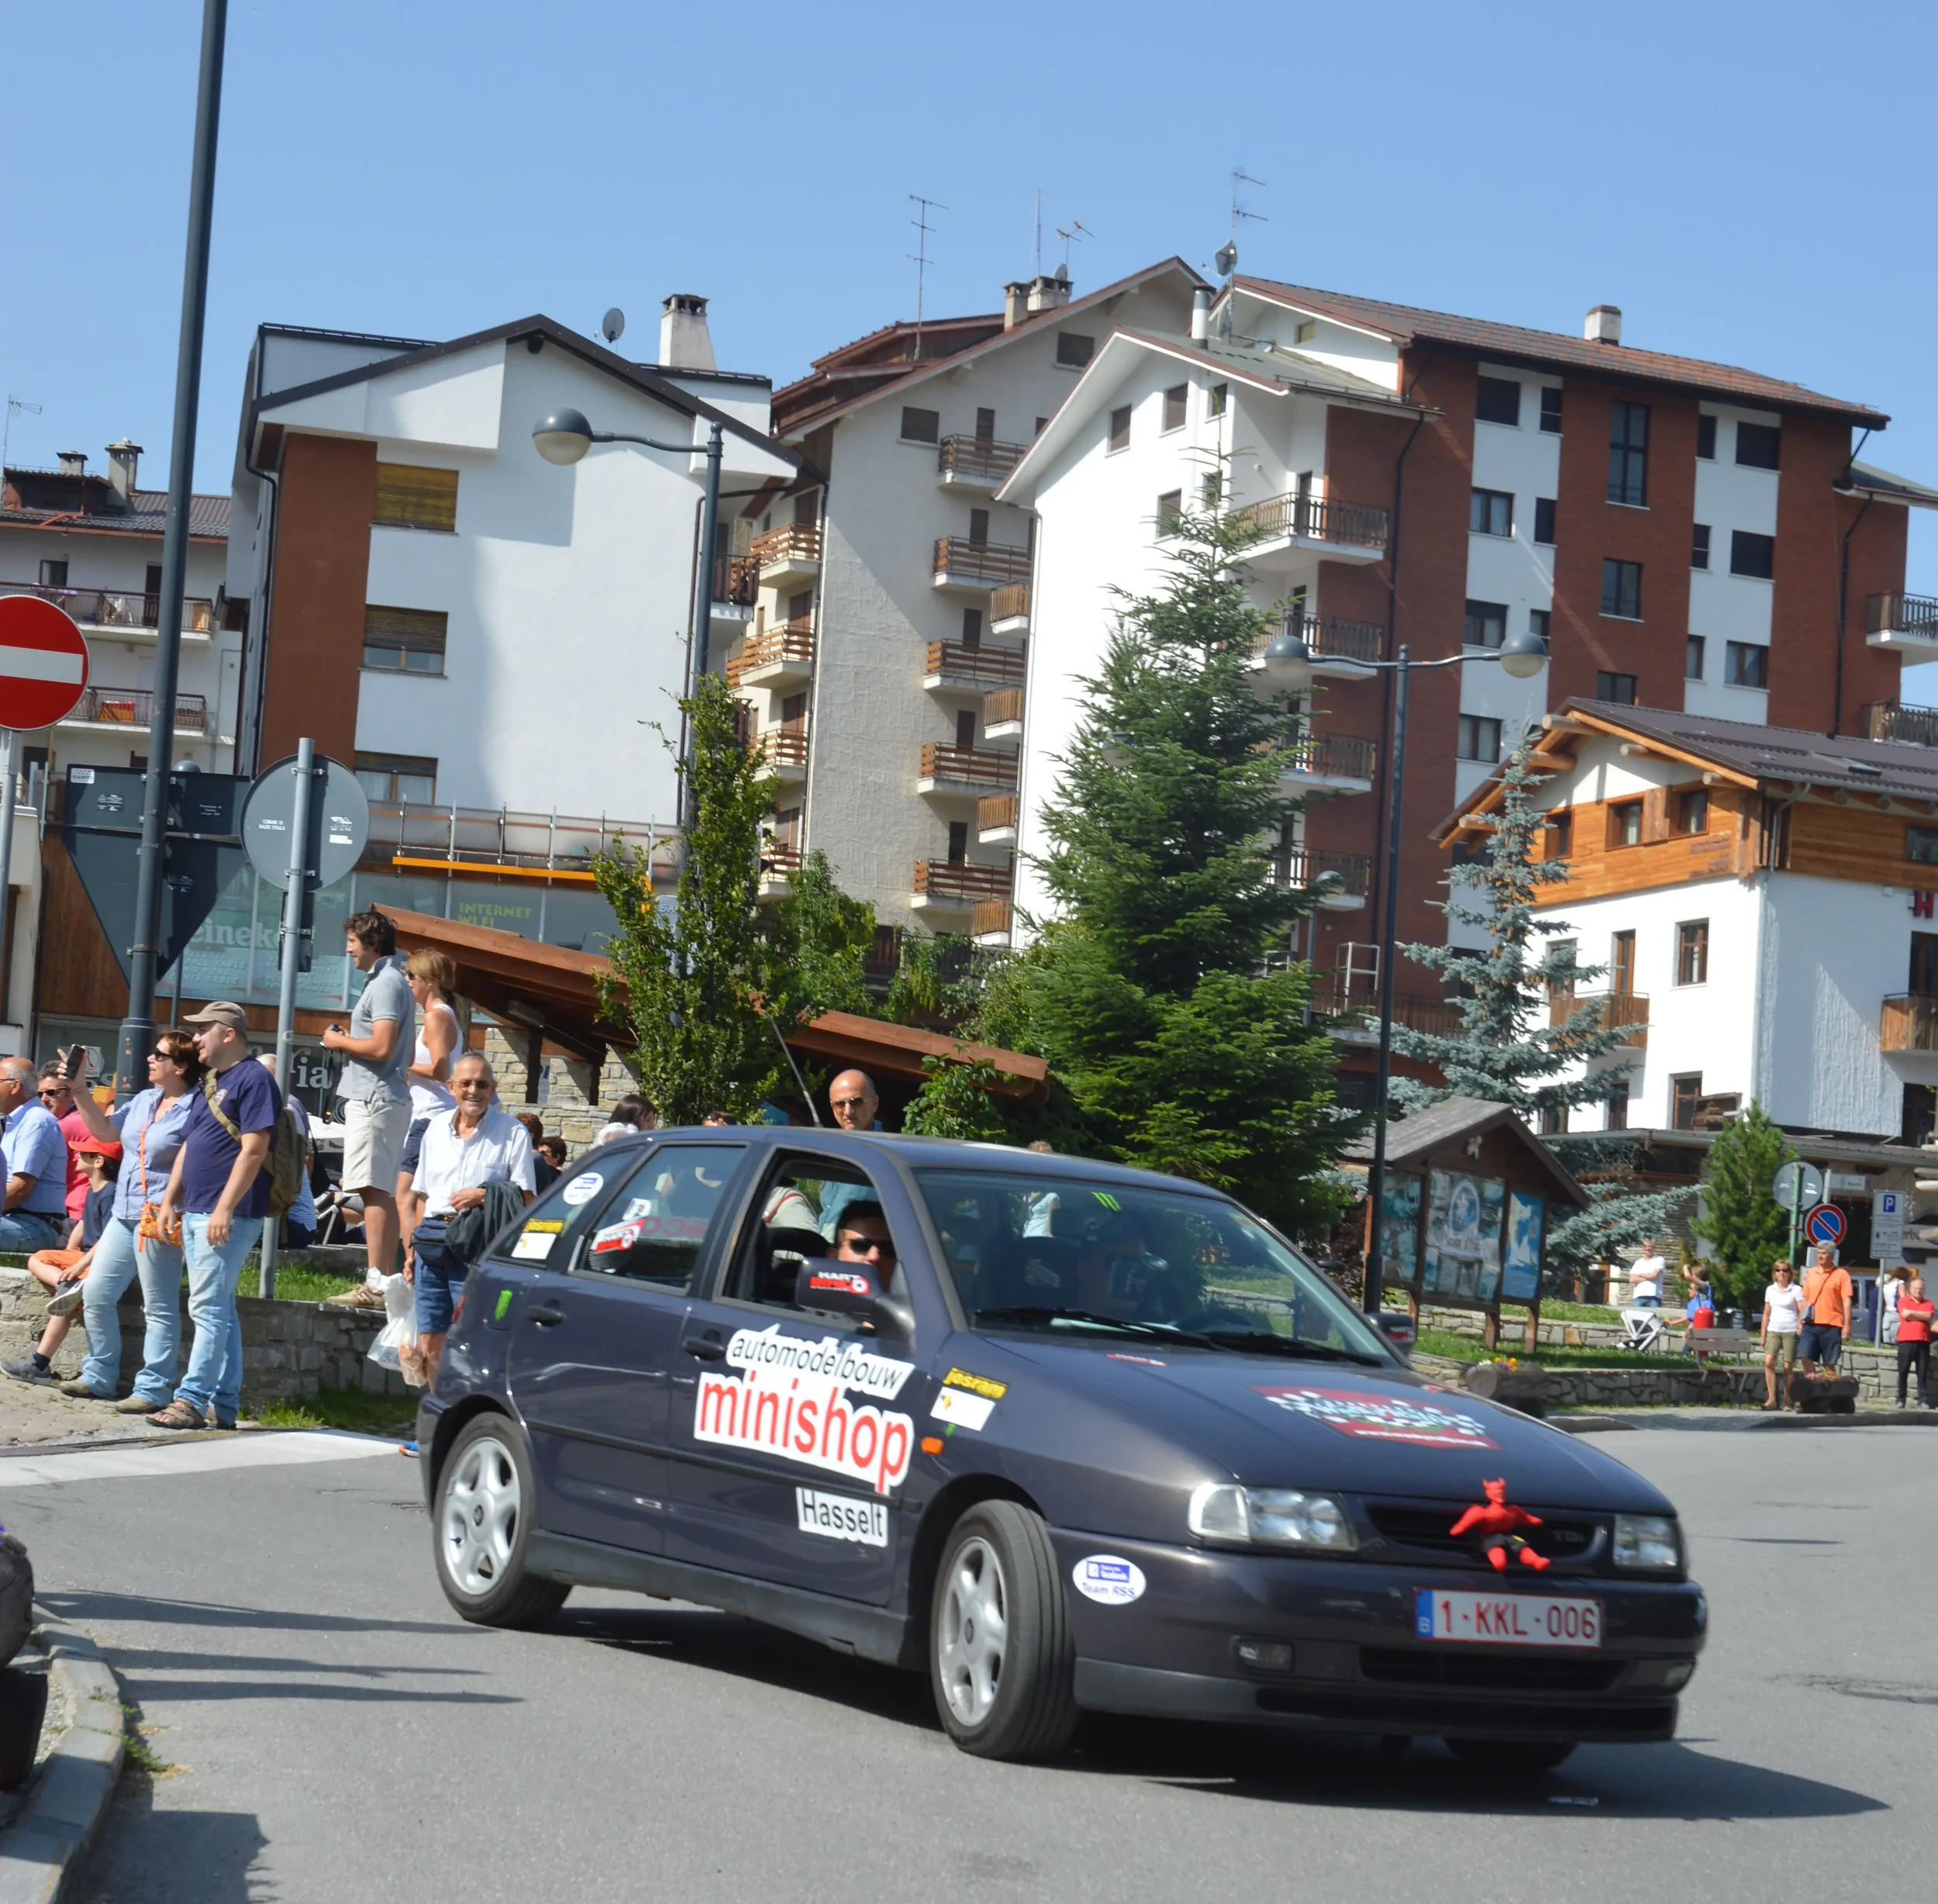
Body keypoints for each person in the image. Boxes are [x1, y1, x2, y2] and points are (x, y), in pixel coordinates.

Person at [149, 1002, 284, 1433]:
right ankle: (225, 1402)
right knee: (219, 1307)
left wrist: (224, 1208)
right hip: (198, 1208)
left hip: (229, 1212)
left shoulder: (255, 1079)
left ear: (228, 1033)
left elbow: (255, 1148)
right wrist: (171, 1197)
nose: (196, 1039)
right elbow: (191, 1144)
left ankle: (191, 1399)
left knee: (206, 1306)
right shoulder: (211, 1080)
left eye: (203, 1030)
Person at [55, 1035, 198, 1411]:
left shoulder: (194, 1106)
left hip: (160, 1217)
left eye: (160, 1055)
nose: (150, 1058)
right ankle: (100, 1376)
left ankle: (153, 1389)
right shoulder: (144, 1100)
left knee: (159, 1305)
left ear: (180, 1066)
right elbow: (104, 1133)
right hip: (125, 1211)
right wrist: (80, 1090)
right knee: (97, 1294)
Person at [409, 1054, 535, 1388]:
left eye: (481, 1084)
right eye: (465, 1083)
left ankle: (466, 1419)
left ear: (493, 1088)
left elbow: (527, 1200)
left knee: (471, 1341)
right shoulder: (434, 1129)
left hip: (477, 1249)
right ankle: (439, 1427)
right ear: (451, 1087)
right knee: (431, 1340)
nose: (473, 1091)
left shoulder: (513, 1133)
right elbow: (421, 1196)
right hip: (432, 1244)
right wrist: (411, 1250)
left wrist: (484, 1195)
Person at [322, 909, 415, 1307]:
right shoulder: (389, 980)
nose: (348, 951)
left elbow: (382, 1047)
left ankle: (376, 1284)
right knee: (380, 1190)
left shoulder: (387, 983)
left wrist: (338, 1042)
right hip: (383, 1096)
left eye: (352, 943)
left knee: (372, 1189)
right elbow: (393, 1047)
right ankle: (386, 1281)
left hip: (375, 1097)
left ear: (371, 942)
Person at [0, 1134, 120, 1389]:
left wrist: (79, 1265)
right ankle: (68, 1287)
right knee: (38, 1259)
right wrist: (68, 1253)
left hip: (100, 1258)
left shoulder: (112, 1193)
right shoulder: (92, 1189)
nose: (77, 1156)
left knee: (63, 1306)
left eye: (84, 1153)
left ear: (99, 1161)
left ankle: (39, 1364)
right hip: (82, 1258)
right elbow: (84, 1224)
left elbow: (109, 1238)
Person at [395, 950, 460, 1264]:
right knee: (417, 1196)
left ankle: (413, 1263)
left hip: (430, 1115)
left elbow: (441, 1069)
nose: (407, 981)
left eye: (412, 976)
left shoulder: (436, 1015)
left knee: (404, 1196)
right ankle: (417, 1262)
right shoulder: (442, 1013)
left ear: (431, 981)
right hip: (432, 1114)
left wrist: (404, 1066)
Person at [0, 1055, 74, 1252]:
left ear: (15, 1086)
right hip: (13, 1219)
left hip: (35, 1225)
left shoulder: (36, 1122)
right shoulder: (16, 1121)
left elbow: (21, 1187)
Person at [257, 1055, 317, 1250]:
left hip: (293, 1226)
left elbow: (296, 1157)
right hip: (300, 1224)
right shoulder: (281, 1104)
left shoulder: (284, 1106)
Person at [818, 1071, 881, 1240]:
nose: (847, 1111)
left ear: (874, 1104)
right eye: (840, 1104)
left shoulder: (879, 1157)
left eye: (856, 1102)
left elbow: (834, 1227)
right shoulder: (837, 1152)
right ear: (832, 1109)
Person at [36, 1061, 92, 1226]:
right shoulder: (83, 1119)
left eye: (52, 1093)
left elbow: (33, 1173)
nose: (44, 1100)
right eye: (40, 1094)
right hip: (84, 1211)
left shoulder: (62, 1126)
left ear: (72, 1094)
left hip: (70, 1213)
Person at [1796, 1243, 1853, 1384]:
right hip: (1810, 1323)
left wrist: (1847, 1326)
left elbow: (1847, 1301)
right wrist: (1799, 1322)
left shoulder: (1841, 1275)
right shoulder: (1811, 1273)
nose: (1820, 1256)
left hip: (1832, 1324)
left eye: (1824, 1253)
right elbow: (1805, 1300)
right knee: (1804, 1357)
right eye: (1819, 1253)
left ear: (1832, 1255)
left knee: (1829, 1364)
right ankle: (1815, 1385)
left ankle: (1831, 1393)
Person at [1760, 1259, 1803, 1411]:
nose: (1781, 1273)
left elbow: (1801, 1310)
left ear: (1790, 1273)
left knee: (1787, 1366)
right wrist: (1763, 1334)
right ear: (1774, 1273)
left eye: (1784, 1270)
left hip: (1790, 1331)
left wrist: (1800, 1325)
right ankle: (1771, 1399)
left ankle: (1787, 1400)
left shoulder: (1796, 1290)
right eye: (1778, 1270)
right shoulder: (1770, 1290)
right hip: (1774, 1329)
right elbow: (1766, 1313)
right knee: (1769, 1362)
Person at [1895, 1276, 1933, 1409]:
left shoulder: (1929, 1304)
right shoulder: (1903, 1301)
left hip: (1923, 1342)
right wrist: (1920, 1315)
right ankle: (1901, 1399)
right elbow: (1905, 1315)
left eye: (1921, 1289)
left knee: (1922, 1372)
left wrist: (1913, 1314)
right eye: (1916, 1288)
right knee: (1903, 1371)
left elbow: (1928, 1316)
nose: (1919, 1291)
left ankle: (1923, 1400)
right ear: (1910, 1289)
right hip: (1906, 1341)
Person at [1628, 1238, 1667, 1309]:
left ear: (1653, 1248)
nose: (1647, 1248)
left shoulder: (1659, 1260)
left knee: (1653, 1319)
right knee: (1637, 1318)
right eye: (1645, 1246)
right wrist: (1648, 1277)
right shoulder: (1638, 1262)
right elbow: (1631, 1280)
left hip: (1654, 1297)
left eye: (1649, 1246)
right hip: (1639, 1297)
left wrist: (1640, 1275)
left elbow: (1654, 1275)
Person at [1878, 1264, 1905, 1347]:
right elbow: (1903, 1298)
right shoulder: (1900, 1283)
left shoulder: (1886, 1284)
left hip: (1887, 1313)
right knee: (1894, 1338)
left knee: (1886, 1336)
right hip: (1896, 1312)